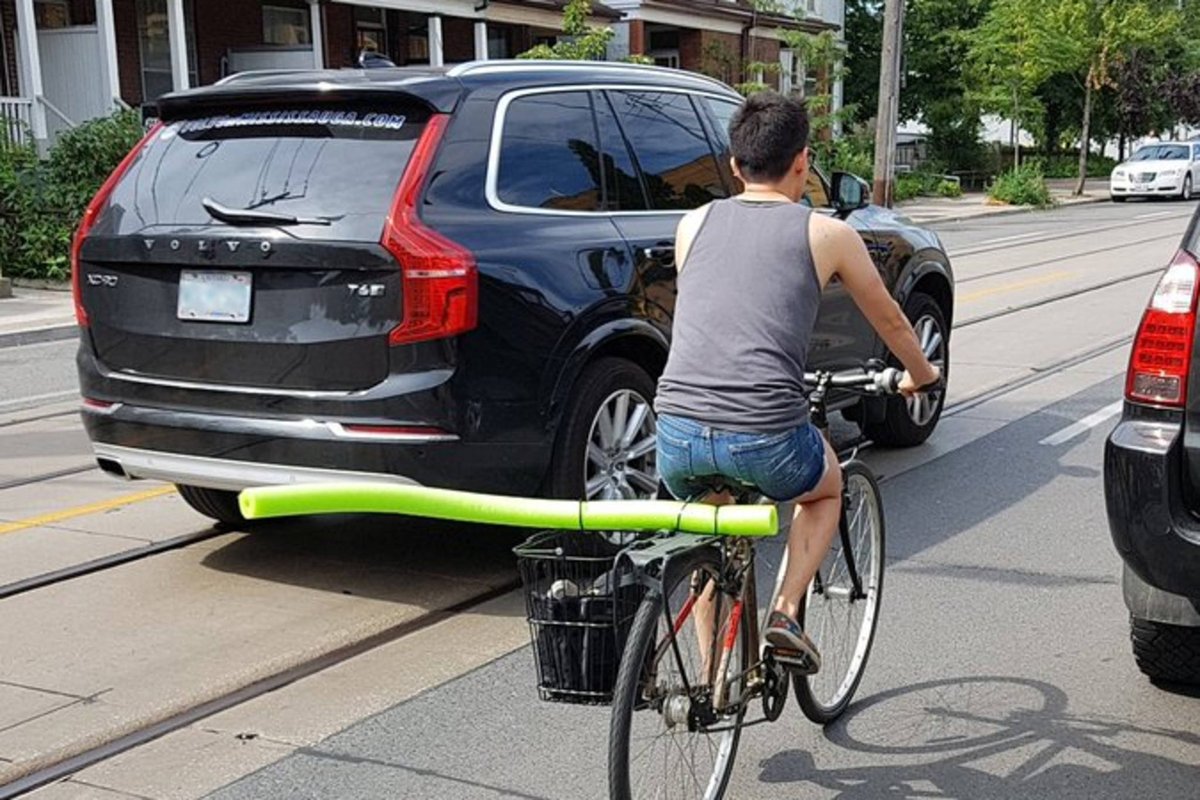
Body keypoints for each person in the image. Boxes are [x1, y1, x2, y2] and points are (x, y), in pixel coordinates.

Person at [654, 91, 941, 672]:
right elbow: (887, 316)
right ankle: (785, 612)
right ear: (803, 162)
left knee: (714, 533)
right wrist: (922, 374)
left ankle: (711, 676)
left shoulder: (693, 224)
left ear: (735, 165)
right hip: (764, 434)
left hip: (675, 434)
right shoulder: (827, 234)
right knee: (827, 487)